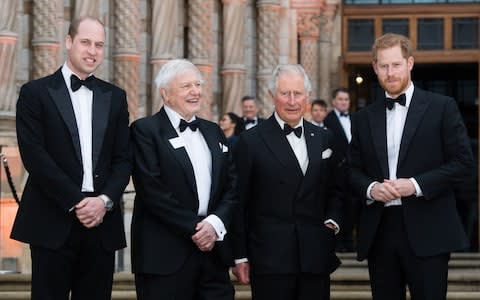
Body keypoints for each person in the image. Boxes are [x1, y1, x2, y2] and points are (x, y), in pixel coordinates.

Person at [11, 16, 131, 300]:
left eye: (99, 45)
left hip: (102, 223)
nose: (92, 51)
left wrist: (103, 202)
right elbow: (34, 156)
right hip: (53, 218)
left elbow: (124, 159)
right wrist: (78, 202)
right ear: (68, 42)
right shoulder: (34, 93)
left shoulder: (115, 96)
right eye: (86, 42)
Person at [347, 33, 474, 300]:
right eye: (383, 66)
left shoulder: (442, 107)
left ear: (410, 63)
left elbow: (463, 164)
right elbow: (351, 170)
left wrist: (414, 185)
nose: (390, 72)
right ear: (374, 68)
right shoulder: (362, 118)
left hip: (429, 230)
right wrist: (371, 188)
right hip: (379, 232)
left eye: (396, 64)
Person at [232, 64, 343, 300]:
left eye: (298, 93)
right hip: (269, 259)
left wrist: (332, 221)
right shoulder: (250, 141)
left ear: (308, 97)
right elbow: (239, 202)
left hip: (315, 255)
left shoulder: (324, 138)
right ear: (272, 96)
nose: (292, 101)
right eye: (285, 93)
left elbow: (336, 190)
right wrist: (240, 255)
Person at [130, 59, 238, 300]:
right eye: (186, 86)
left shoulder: (213, 131)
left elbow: (232, 186)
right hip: (165, 256)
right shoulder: (144, 130)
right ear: (165, 94)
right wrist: (197, 228)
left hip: (213, 254)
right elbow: (152, 190)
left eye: (198, 84)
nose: (195, 91)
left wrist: (214, 225)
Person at [324, 87, 356, 252]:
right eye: (341, 99)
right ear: (334, 101)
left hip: (353, 172)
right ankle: (338, 243)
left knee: (353, 206)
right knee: (337, 206)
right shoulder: (328, 120)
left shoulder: (355, 119)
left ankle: (350, 241)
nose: (344, 102)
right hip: (336, 172)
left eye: (346, 100)